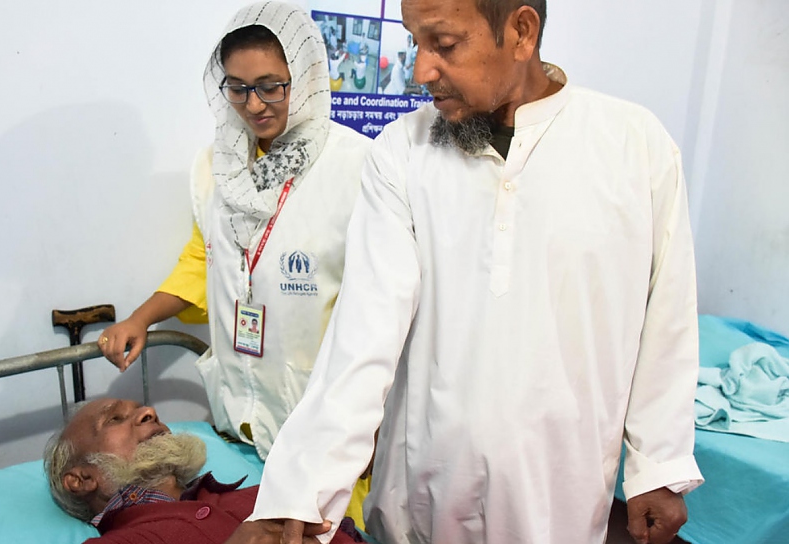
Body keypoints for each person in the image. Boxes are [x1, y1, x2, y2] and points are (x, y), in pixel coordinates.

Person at [228, 1, 704, 544]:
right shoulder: (401, 153)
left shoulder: (633, 146)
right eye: (415, 43)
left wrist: (658, 465)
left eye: (445, 45)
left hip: (560, 498)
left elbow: (667, 314)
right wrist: (300, 490)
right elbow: (362, 334)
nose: (420, 71)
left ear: (521, 32)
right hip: (420, 497)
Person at [97, 0, 373, 529]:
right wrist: (141, 318)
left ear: (309, 77)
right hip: (240, 413)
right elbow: (205, 258)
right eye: (238, 87)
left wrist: (375, 422)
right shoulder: (215, 165)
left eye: (273, 85)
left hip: (321, 417)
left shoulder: (355, 167)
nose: (255, 104)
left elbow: (381, 305)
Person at [43, 398, 366, 543]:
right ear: (82, 479)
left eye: (142, 408)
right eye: (115, 419)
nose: (148, 412)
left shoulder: (265, 493)